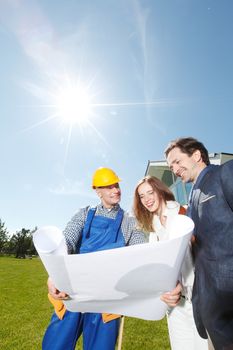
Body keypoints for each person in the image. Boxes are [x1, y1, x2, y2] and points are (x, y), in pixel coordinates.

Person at [42, 167, 146, 350]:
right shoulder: (84, 214)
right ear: (98, 191)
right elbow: (66, 241)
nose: (116, 190)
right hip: (73, 291)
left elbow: (140, 252)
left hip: (108, 297)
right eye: (109, 187)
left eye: (117, 185)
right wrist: (55, 273)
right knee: (56, 344)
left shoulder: (130, 221)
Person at [165, 137, 233, 350]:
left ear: (196, 155)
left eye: (177, 161)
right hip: (212, 311)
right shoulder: (191, 202)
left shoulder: (225, 173)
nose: (174, 169)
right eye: (170, 166)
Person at [133, 175, 208, 350]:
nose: (147, 199)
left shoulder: (185, 213)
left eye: (150, 192)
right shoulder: (153, 232)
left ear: (160, 190)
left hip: (199, 302)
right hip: (175, 307)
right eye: (142, 196)